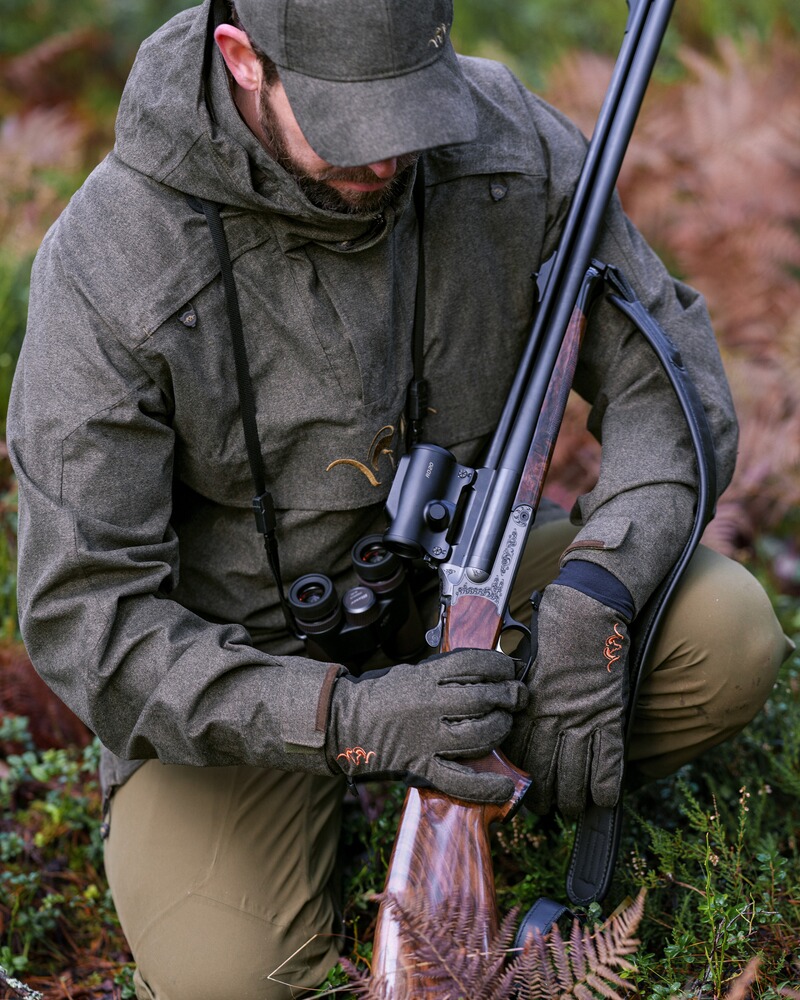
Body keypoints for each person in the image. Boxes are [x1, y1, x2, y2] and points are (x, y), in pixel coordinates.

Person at [7, 0, 792, 997]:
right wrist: (349, 717)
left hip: (460, 594)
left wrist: (594, 592)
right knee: (228, 981)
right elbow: (88, 617)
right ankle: (395, 813)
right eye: (352, 123)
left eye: (411, 112)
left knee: (725, 638)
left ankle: (491, 801)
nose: (388, 159)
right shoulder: (112, 259)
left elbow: (664, 382)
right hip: (235, 673)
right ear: (243, 59)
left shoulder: (507, 144)